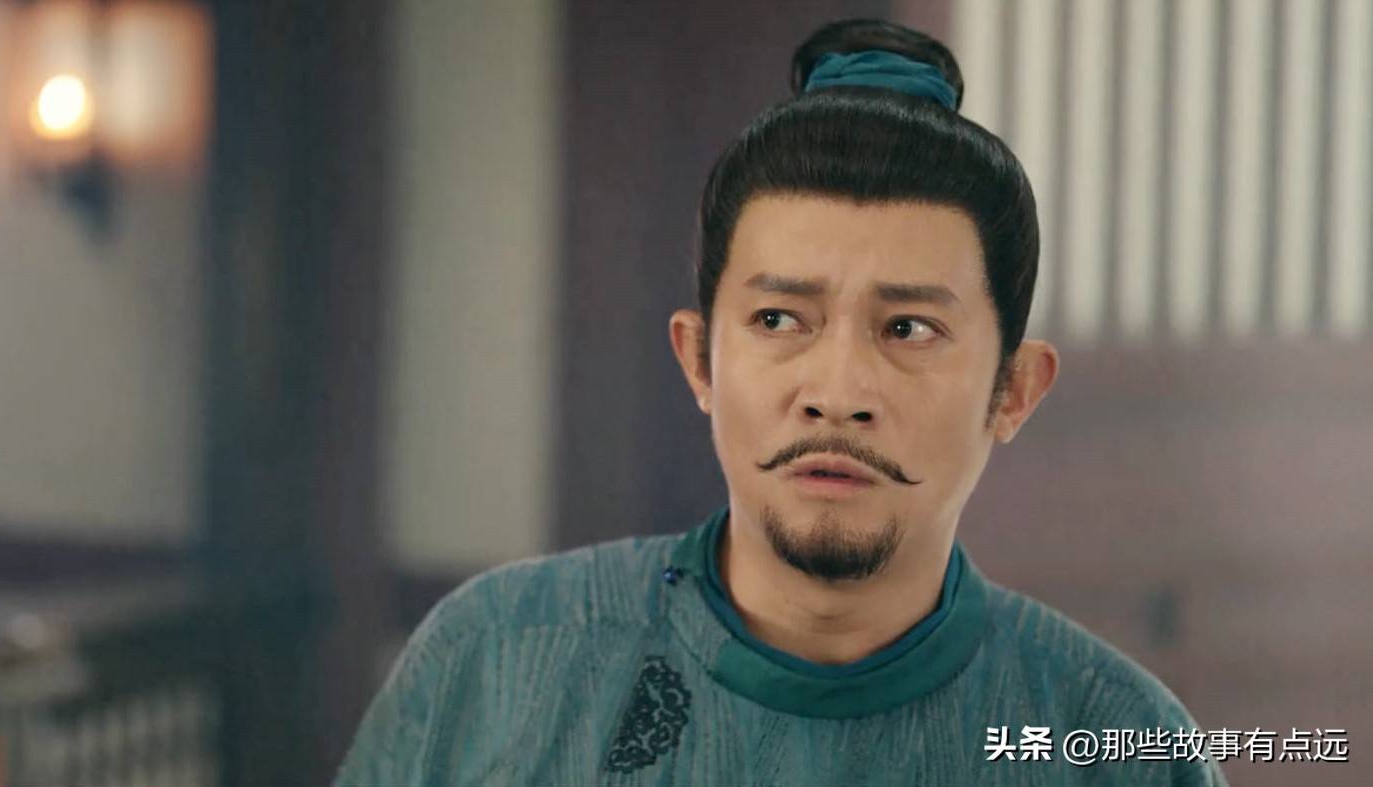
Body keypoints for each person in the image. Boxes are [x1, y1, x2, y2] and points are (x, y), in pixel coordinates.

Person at [335, 18, 1227, 786]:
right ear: (699, 359)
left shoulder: (1118, 741)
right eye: (778, 318)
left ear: (1014, 388)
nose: (836, 395)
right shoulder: (495, 657)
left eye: (909, 328)